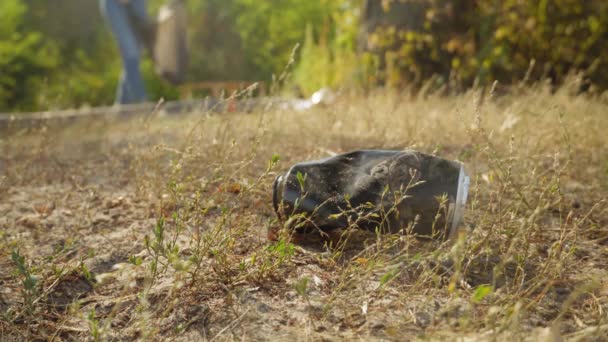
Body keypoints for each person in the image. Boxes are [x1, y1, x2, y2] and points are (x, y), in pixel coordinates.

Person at [99, 0, 151, 105]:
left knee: (137, 52)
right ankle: (141, 101)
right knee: (130, 51)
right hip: (114, 4)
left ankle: (121, 105)